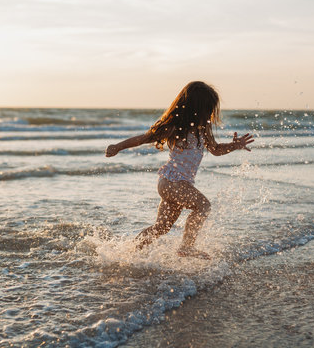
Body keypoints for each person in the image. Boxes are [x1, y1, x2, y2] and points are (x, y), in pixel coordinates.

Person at [105, 81, 254, 259]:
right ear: (196, 107)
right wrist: (117, 147)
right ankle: (187, 247)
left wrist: (233, 146)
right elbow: (144, 138)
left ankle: (129, 254)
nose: (211, 114)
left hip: (172, 184)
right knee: (204, 206)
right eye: (208, 109)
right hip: (173, 181)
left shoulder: (203, 129)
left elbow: (215, 150)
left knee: (161, 227)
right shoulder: (176, 127)